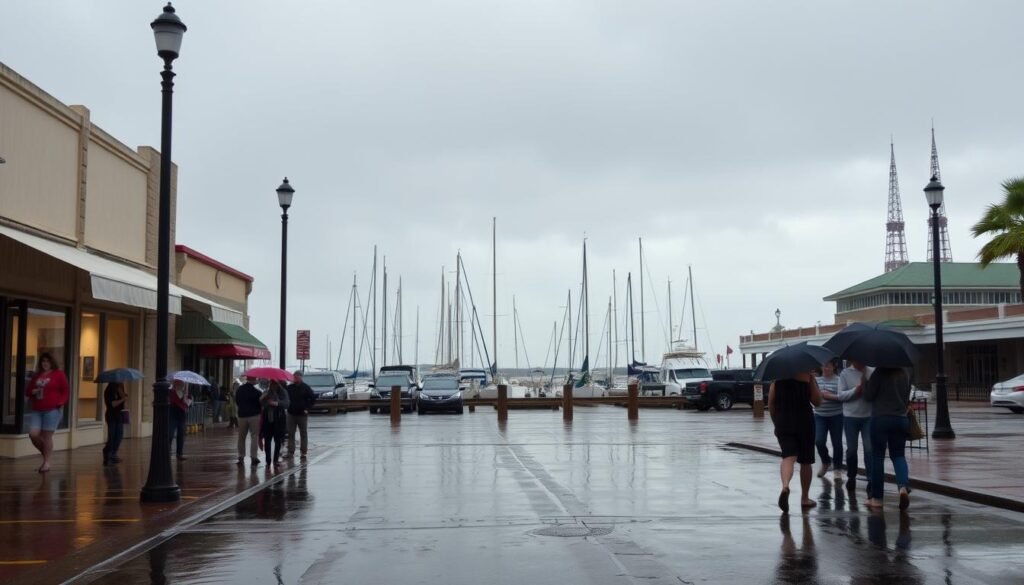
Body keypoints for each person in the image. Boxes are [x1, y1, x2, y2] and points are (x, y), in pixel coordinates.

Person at [768, 372, 823, 513]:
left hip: (783, 421)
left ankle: (785, 486)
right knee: (806, 461)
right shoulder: (807, 376)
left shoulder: (777, 381)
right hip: (804, 422)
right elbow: (818, 402)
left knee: (788, 457)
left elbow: (771, 404)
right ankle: (805, 498)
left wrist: (776, 423)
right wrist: (812, 380)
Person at [864, 366, 912, 510]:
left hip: (880, 418)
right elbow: (906, 397)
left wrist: (865, 383)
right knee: (898, 456)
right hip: (900, 419)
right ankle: (903, 488)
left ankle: (877, 499)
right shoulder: (904, 373)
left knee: (877, 457)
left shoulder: (878, 373)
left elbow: (868, 396)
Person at [830, 360, 874, 494]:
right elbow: (841, 395)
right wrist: (857, 389)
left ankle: (871, 480)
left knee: (869, 449)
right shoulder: (845, 373)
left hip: (868, 416)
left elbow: (875, 393)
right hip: (850, 417)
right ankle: (851, 476)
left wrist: (867, 389)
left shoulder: (871, 371)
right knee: (852, 450)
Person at [25, 353, 70, 473]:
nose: (45, 363)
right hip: (37, 410)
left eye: (47, 361)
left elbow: (65, 391)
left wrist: (60, 402)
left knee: (46, 437)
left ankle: (46, 463)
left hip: (52, 410)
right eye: (43, 361)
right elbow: (28, 391)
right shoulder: (37, 375)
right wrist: (33, 391)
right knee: (33, 434)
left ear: (51, 362)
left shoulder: (58, 374)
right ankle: (46, 454)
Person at [813, 360, 844, 480]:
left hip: (836, 415)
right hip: (820, 415)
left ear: (834, 367)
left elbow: (843, 397)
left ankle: (838, 469)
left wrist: (828, 395)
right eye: (823, 365)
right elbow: (812, 396)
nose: (825, 368)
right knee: (819, 441)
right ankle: (826, 462)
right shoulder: (817, 380)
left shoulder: (839, 380)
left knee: (837, 443)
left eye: (828, 366)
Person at [285, 371, 316, 458]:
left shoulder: (306, 387)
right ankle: (290, 451)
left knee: (303, 433)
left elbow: (313, 399)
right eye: (294, 377)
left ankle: (303, 451)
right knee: (291, 433)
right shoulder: (289, 387)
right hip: (291, 413)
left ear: (301, 377)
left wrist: (307, 408)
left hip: (302, 414)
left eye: (296, 377)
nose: (295, 378)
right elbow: (284, 396)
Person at [260, 380, 290, 467]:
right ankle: (268, 460)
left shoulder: (283, 392)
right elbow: (261, 403)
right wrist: (263, 399)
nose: (272, 385)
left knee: (278, 440)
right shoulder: (266, 392)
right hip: (268, 420)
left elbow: (286, 403)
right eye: (271, 383)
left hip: (279, 419)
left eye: (274, 383)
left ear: (278, 384)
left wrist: (275, 403)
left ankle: (275, 460)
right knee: (267, 440)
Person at [235, 376, 262, 465]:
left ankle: (241, 456)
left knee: (241, 437)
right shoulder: (257, 392)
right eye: (256, 379)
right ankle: (253, 456)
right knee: (254, 436)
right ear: (253, 380)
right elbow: (260, 403)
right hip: (254, 416)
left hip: (242, 416)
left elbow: (237, 401)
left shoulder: (240, 390)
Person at [102, 382, 128, 465]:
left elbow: (124, 402)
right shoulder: (109, 390)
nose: (122, 381)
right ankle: (108, 454)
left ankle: (113, 454)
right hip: (111, 416)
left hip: (119, 416)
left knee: (119, 436)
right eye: (120, 380)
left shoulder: (120, 389)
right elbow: (112, 404)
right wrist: (123, 399)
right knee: (112, 436)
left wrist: (122, 393)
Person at [168, 379, 192, 460]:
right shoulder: (171, 392)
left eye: (182, 383)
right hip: (172, 415)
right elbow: (168, 401)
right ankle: (168, 451)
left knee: (181, 434)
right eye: (178, 382)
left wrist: (187, 401)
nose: (180, 384)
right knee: (170, 434)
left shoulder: (187, 394)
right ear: (175, 383)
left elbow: (189, 405)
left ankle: (179, 454)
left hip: (182, 416)